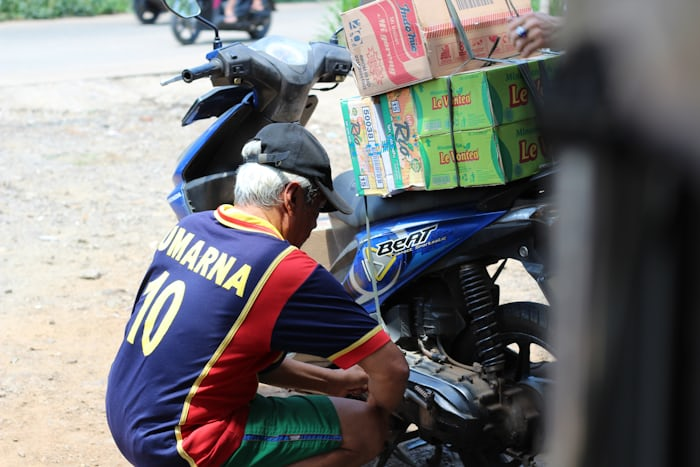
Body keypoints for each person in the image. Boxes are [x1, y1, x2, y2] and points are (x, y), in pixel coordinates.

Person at [105, 122, 409, 467]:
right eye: (317, 209)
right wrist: (380, 418)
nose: (313, 224)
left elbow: (242, 359)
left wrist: (334, 382)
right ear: (292, 197)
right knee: (364, 429)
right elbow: (392, 369)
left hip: (128, 417)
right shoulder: (281, 267)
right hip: (180, 442)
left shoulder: (191, 227)